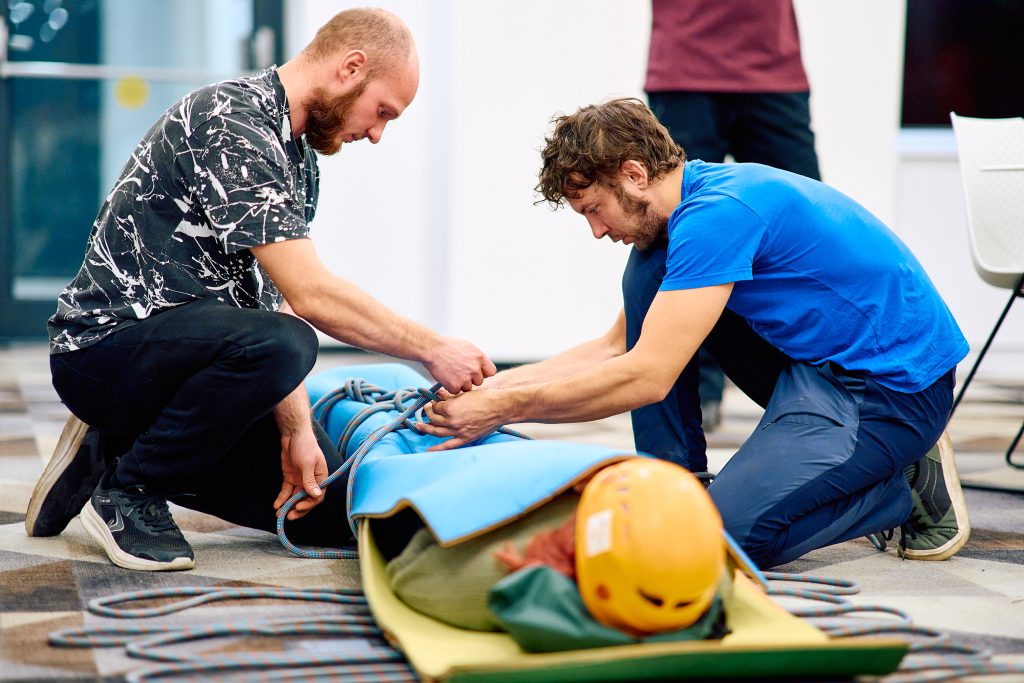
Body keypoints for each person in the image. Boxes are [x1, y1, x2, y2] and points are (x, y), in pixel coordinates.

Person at [26, 8, 495, 572]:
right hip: (104, 351)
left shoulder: (299, 158)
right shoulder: (231, 121)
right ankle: (130, 490)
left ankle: (115, 445)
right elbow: (311, 299)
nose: (376, 134)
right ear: (351, 68)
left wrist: (296, 431)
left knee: (325, 509)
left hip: (200, 363)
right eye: (382, 112)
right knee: (288, 342)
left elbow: (275, 301)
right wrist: (433, 348)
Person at [417, 98, 971, 569]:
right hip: (819, 368)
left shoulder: (718, 214)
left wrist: (504, 409)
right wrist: (491, 387)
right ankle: (677, 483)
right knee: (648, 266)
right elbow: (615, 348)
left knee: (717, 540)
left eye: (595, 209)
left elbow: (647, 377)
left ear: (634, 175)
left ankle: (898, 484)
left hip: (891, 392)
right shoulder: (688, 209)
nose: (596, 231)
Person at [644, 0, 821, 440]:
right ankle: (687, 408)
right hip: (687, 65)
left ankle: (824, 386)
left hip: (772, 66)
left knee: (807, 222)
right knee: (667, 228)